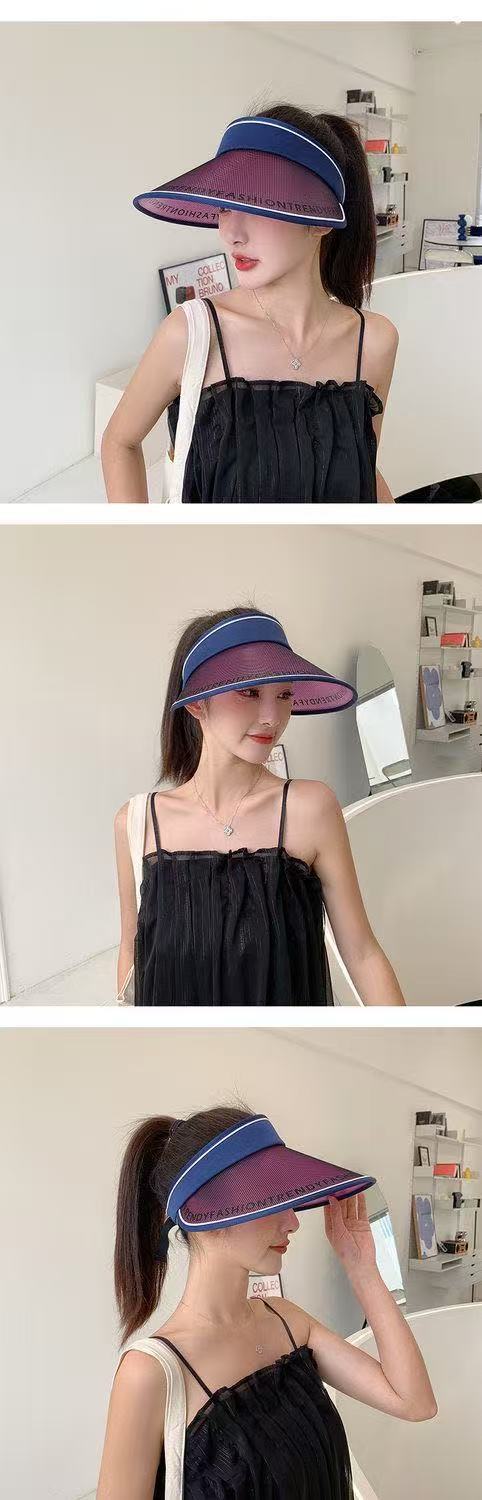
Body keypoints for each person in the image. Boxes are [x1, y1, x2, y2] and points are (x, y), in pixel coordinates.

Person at [97, 1104, 437, 1500]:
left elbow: (415, 1402)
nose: (293, 1221)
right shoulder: (150, 1374)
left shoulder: (288, 1323)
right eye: (269, 1201)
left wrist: (362, 1268)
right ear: (207, 1212)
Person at [102, 103, 399, 503]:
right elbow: (120, 441)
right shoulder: (192, 334)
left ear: (319, 220)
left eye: (258, 207)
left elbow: (364, 469)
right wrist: (140, 540)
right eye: (225, 207)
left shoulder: (374, 342)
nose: (231, 233)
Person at [114, 606, 406, 1005]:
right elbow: (132, 953)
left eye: (284, 695)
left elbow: (362, 953)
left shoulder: (310, 809)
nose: (272, 717)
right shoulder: (137, 824)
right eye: (249, 692)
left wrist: (401, 1035)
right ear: (197, 704)